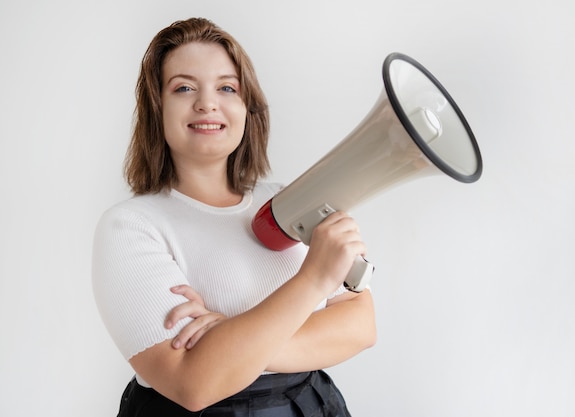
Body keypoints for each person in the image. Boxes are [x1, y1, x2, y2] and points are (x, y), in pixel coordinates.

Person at [92, 17, 376, 416]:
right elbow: (194, 384)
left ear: (247, 107)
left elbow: (361, 326)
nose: (207, 103)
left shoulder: (287, 200)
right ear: (157, 108)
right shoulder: (130, 226)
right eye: (184, 87)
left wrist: (229, 338)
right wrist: (315, 279)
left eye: (227, 87)